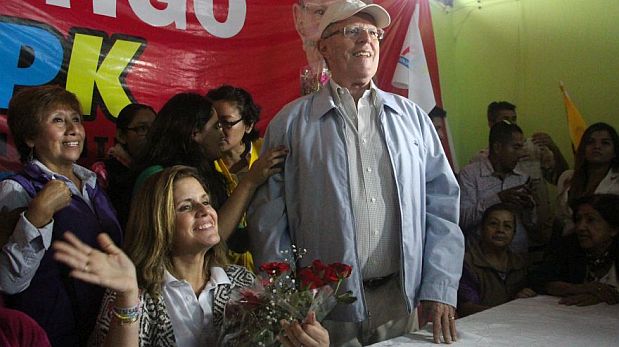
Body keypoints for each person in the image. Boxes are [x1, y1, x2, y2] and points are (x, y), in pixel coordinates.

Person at [248, 1, 464, 345]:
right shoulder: (291, 124)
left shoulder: (412, 119)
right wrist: (288, 301)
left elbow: (442, 207)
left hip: (399, 303)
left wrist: (440, 287)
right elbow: (269, 221)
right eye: (352, 32)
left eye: (373, 33)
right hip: (323, 310)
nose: (366, 40)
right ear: (324, 47)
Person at [51, 165, 329, 346]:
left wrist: (308, 341)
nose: (204, 210)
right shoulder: (136, 292)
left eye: (206, 201)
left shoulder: (241, 281)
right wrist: (126, 297)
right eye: (186, 206)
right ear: (158, 224)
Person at [0, 85, 122, 346]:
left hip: (104, 331)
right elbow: (9, 282)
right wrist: (37, 216)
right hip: (53, 336)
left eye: (76, 119)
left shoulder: (92, 183)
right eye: (58, 120)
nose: (73, 129)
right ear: (30, 137)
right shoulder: (18, 189)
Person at [132, 92, 287, 262]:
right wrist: (250, 182)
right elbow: (210, 237)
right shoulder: (157, 176)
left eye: (205, 202)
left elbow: (238, 241)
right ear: (195, 133)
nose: (222, 134)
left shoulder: (208, 173)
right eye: (216, 127)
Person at [206, 85, 265, 270]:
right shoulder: (204, 165)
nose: (220, 130)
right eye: (214, 123)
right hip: (222, 268)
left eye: (227, 122)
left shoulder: (266, 153)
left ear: (248, 124)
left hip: (267, 264)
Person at [459, 121, 536, 254]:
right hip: (480, 261)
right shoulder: (470, 174)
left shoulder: (523, 177)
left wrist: (529, 209)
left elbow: (533, 226)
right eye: (516, 148)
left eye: (521, 148)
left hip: (517, 257)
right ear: (497, 147)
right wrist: (498, 199)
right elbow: (463, 220)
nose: (520, 154)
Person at [531, 194, 619, 306]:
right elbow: (539, 280)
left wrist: (600, 297)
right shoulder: (569, 246)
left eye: (591, 220)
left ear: (614, 229)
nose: (580, 227)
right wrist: (580, 288)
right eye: (578, 219)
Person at [457, 203, 536, 318]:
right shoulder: (467, 263)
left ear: (514, 233)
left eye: (507, 226)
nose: (500, 230)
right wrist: (507, 312)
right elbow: (466, 308)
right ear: (481, 229)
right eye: (493, 224)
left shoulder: (520, 262)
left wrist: (525, 297)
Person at [91, 103, 156, 228]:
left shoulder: (161, 169)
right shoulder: (102, 172)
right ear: (121, 136)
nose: (151, 136)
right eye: (142, 129)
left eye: (155, 129)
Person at [555, 122, 619, 235]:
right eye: (590, 142)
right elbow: (561, 219)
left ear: (615, 152)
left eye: (605, 143)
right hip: (570, 244)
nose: (597, 146)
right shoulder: (567, 178)